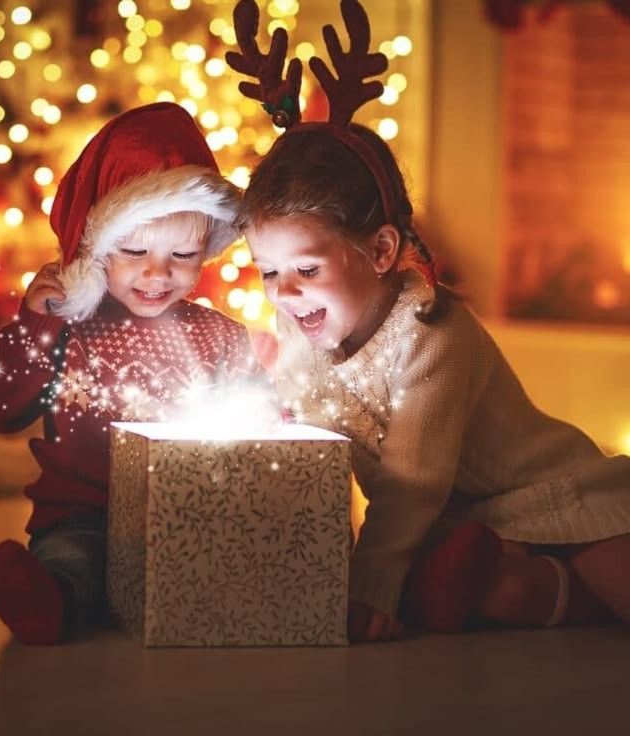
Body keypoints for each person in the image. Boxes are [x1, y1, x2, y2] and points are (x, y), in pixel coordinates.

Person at [227, 0, 630, 642]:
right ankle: (542, 590)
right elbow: (297, 442)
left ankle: (567, 583)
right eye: (268, 271)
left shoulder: (432, 333)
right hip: (458, 526)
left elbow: (414, 479)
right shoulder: (304, 343)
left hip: (549, 493)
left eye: (306, 268)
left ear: (381, 252)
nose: (284, 293)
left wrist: (370, 585)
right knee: (486, 589)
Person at [0, 102, 264, 645]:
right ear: (96, 249)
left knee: (231, 565)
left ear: (207, 252)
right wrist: (37, 324)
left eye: (182, 253)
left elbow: (265, 422)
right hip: (84, 515)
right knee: (75, 562)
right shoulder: (67, 328)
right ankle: (48, 599)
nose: (158, 272)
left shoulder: (222, 337)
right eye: (132, 251)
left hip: (188, 518)